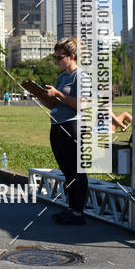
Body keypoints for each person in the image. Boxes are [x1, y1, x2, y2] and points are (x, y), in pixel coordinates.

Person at [38, 37, 88, 225]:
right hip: (57, 125)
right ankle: (70, 207)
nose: (56, 61)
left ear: (71, 56)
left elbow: (82, 104)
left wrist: (58, 94)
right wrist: (44, 97)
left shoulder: (80, 76)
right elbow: (57, 103)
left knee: (76, 170)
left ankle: (78, 212)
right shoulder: (62, 77)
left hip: (72, 126)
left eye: (59, 57)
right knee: (66, 170)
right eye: (55, 57)